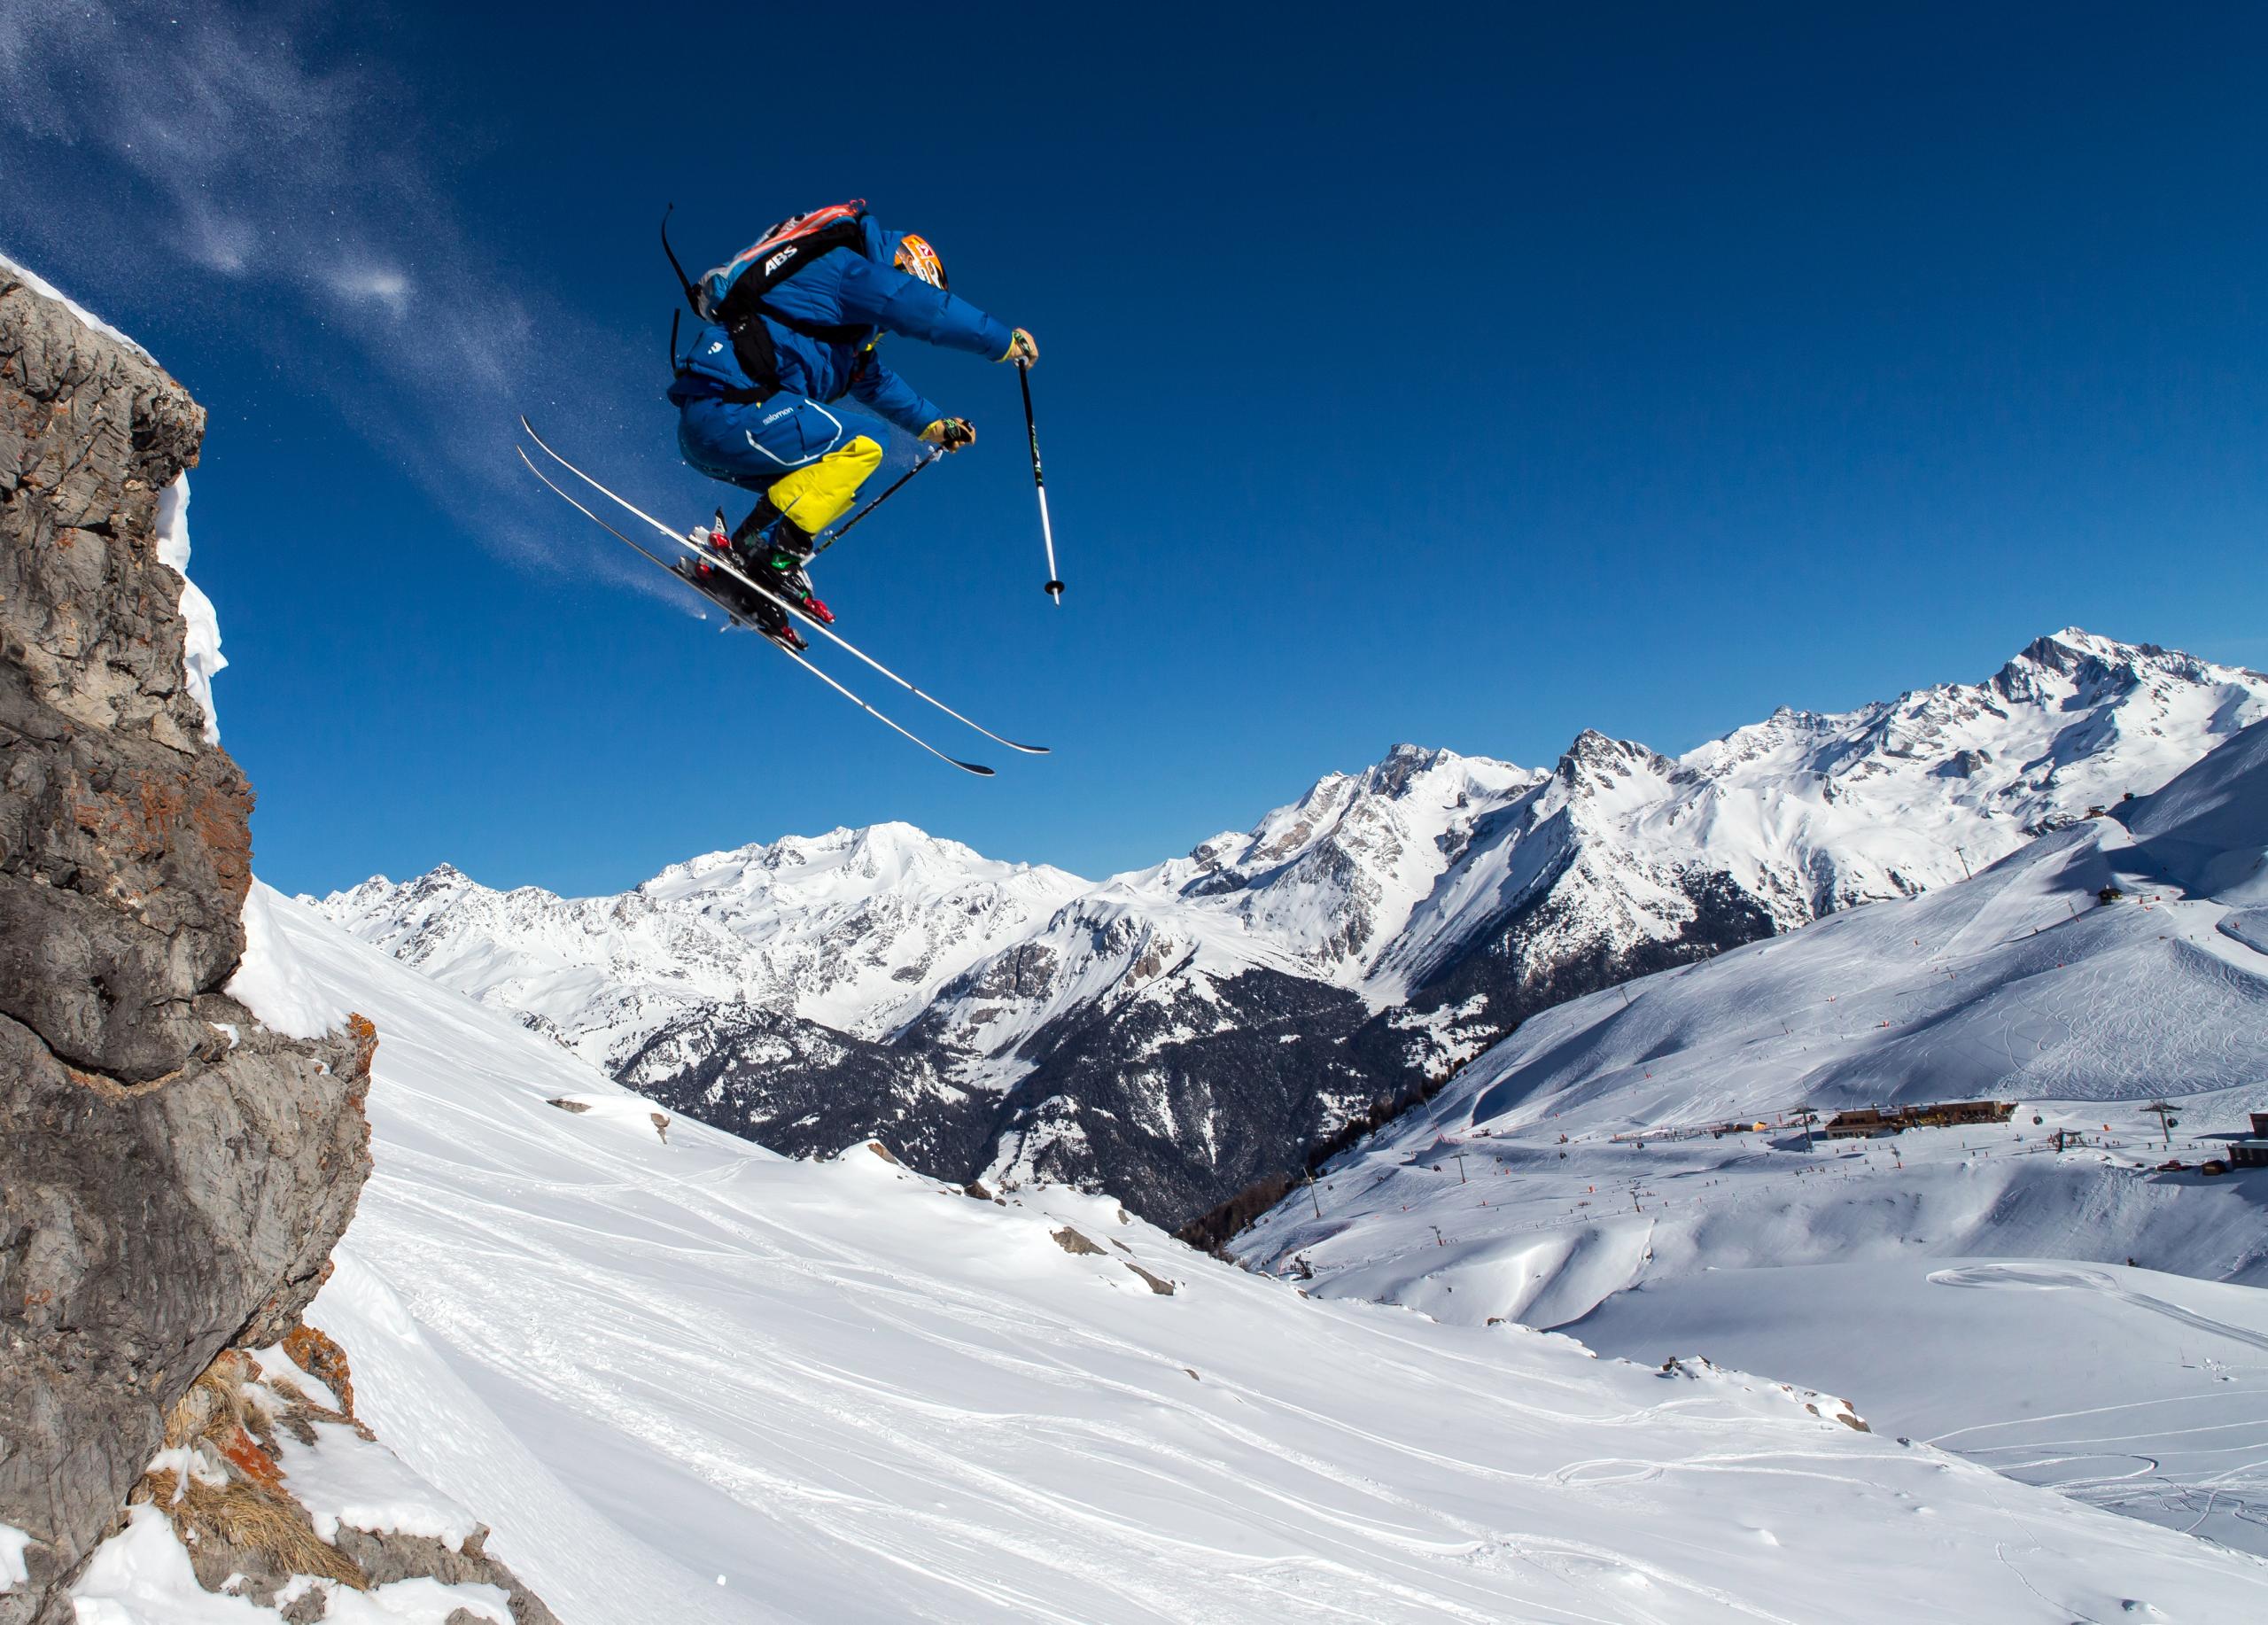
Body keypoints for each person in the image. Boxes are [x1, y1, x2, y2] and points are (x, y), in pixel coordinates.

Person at [666, 201, 1037, 649]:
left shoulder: (841, 333)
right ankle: (765, 550)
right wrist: (1003, 342)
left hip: (719, 425)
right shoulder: (848, 270)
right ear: (905, 266)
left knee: (838, 475)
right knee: (865, 443)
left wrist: (936, 426)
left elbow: (874, 381)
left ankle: (758, 556)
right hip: (728, 410)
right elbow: (923, 309)